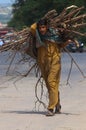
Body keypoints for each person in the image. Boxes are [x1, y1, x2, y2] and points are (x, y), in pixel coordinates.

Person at [30, 19, 72, 116]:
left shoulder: (55, 35)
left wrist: (67, 42)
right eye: (40, 27)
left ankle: (51, 108)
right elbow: (32, 27)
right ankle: (57, 104)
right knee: (50, 85)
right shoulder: (37, 35)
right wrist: (41, 20)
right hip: (43, 62)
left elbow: (61, 45)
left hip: (55, 60)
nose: (41, 29)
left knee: (51, 81)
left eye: (43, 27)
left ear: (47, 27)